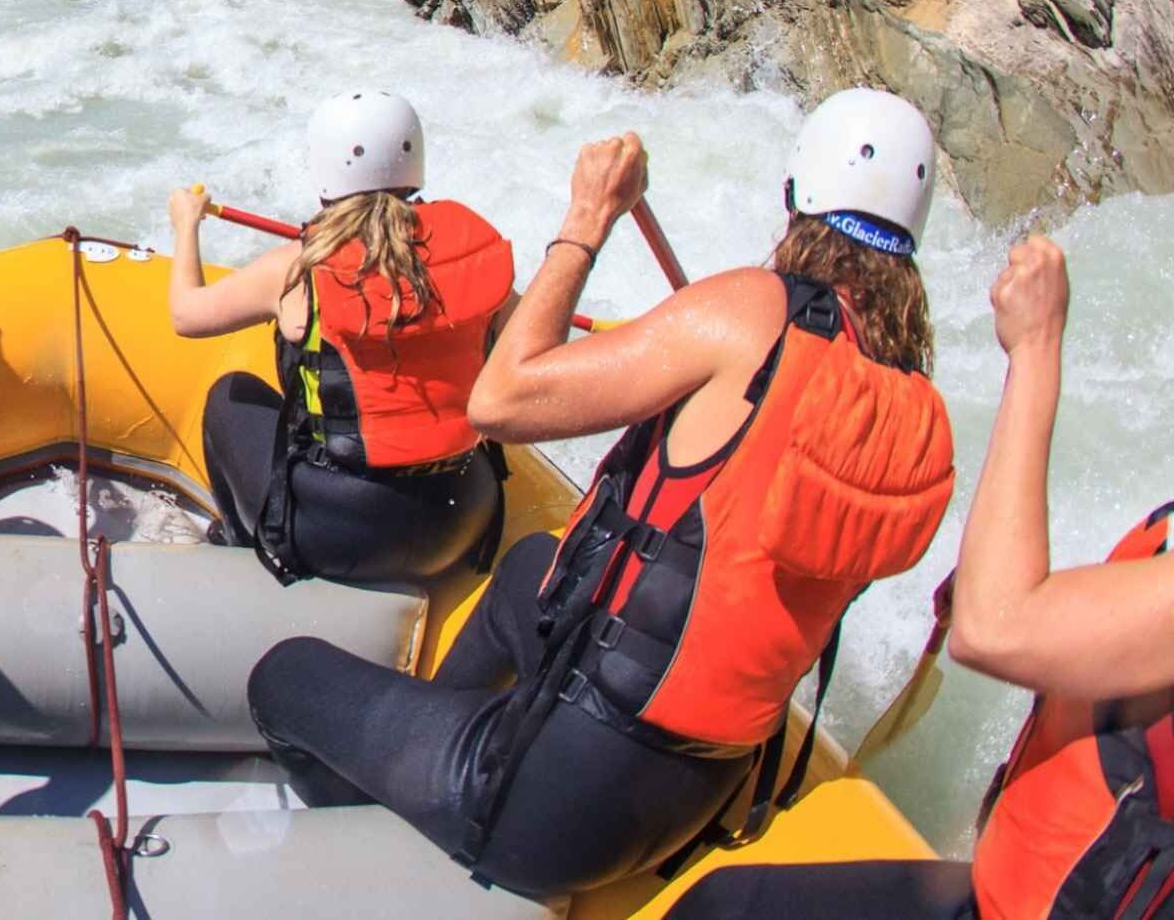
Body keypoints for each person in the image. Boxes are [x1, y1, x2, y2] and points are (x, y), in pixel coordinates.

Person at [243, 88, 956, 899]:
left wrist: (589, 220)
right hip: (701, 790)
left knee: (283, 676)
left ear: (795, 198)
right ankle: (426, 731)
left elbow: (499, 401)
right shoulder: (908, 401)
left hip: (551, 804)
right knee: (528, 572)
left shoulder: (748, 314)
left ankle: (404, 822)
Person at [667, 236, 1171, 920]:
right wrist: (1013, 581)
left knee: (726, 910)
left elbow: (996, 629)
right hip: (1016, 893)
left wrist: (1036, 348)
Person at [170, 92, 512, 588]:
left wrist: (187, 224)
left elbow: (186, 314)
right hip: (461, 516)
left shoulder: (298, 270)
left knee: (229, 396)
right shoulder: (473, 258)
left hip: (339, 530)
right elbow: (531, 347)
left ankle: (245, 546)